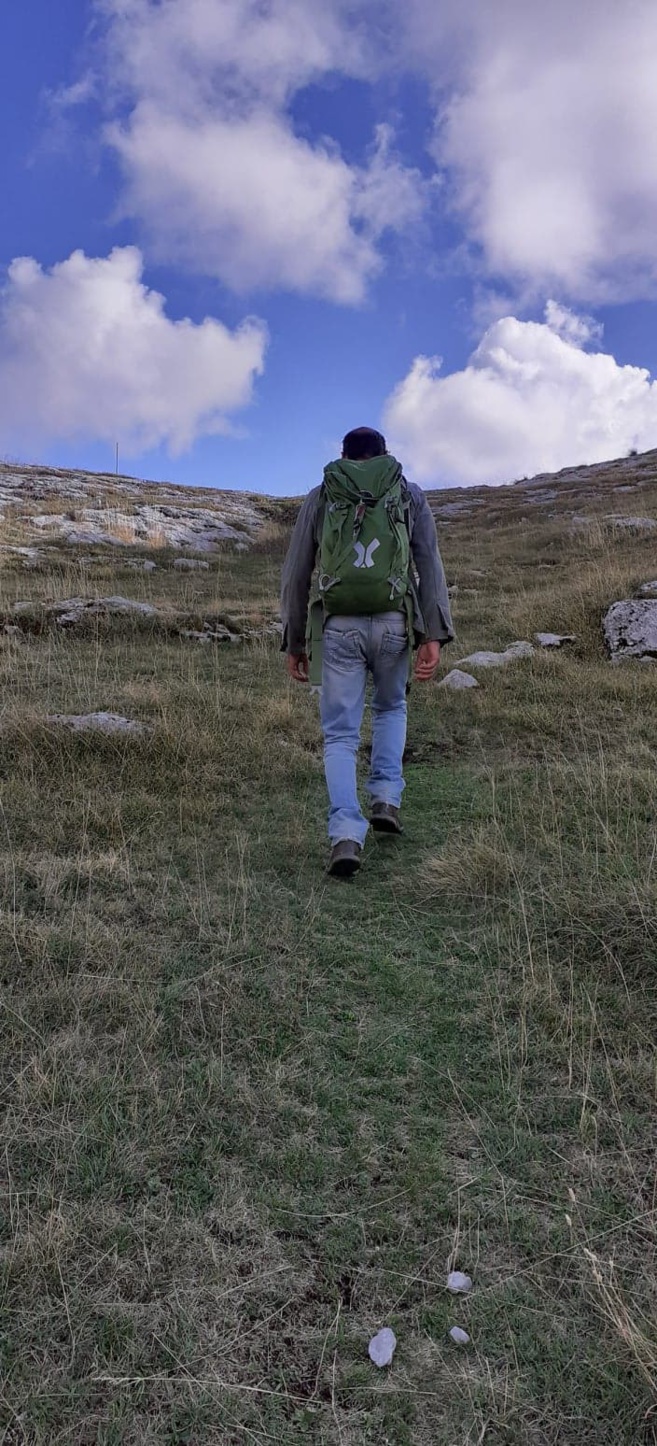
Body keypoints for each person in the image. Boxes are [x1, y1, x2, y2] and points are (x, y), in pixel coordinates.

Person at [281, 426, 453, 878]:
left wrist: (294, 640)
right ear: (385, 454)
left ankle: (344, 834)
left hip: (337, 627)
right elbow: (428, 562)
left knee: (340, 735)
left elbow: (297, 570)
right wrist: (432, 632)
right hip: (395, 620)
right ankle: (386, 798)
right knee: (391, 707)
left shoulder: (323, 495)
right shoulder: (407, 493)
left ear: (342, 455)